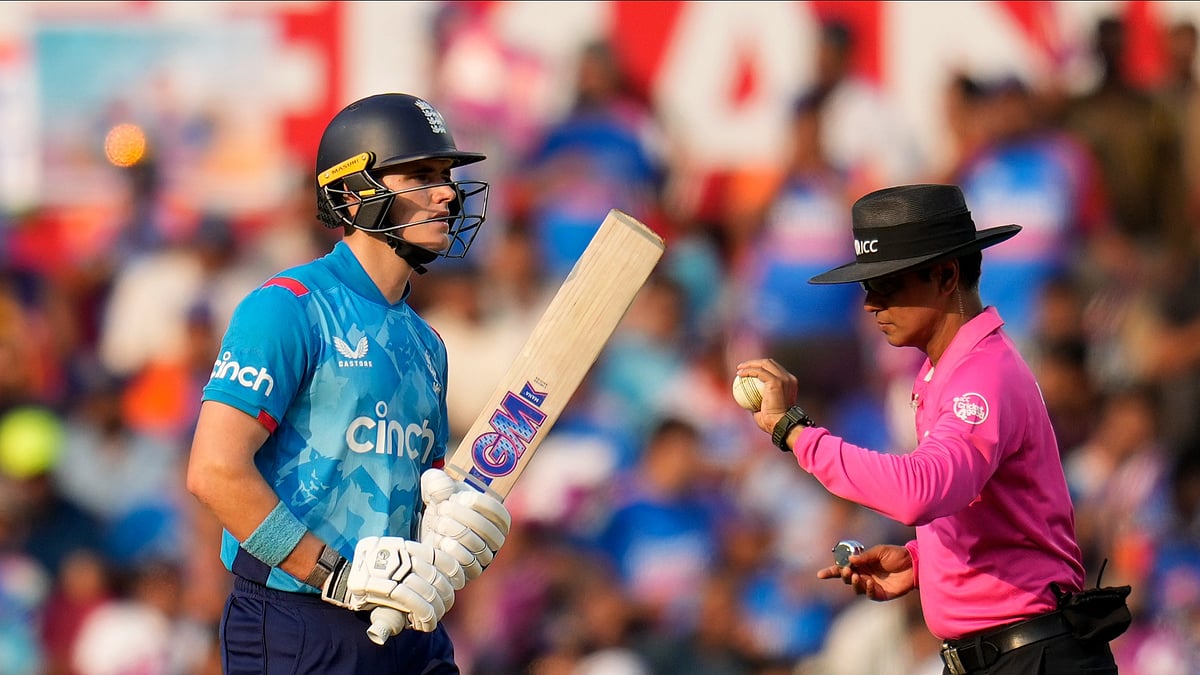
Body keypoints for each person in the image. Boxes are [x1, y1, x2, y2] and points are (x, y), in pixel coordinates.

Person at [735, 184, 1129, 674]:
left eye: (887, 284)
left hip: (1034, 658)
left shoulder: (981, 376)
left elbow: (921, 491)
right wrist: (924, 563)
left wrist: (794, 431)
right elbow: (993, 514)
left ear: (945, 275)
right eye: (867, 286)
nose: (869, 303)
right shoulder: (949, 370)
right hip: (1006, 655)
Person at [186, 93, 512, 673]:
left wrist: (456, 530)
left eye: (446, 177)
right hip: (297, 620)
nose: (447, 193)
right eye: (421, 176)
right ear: (353, 193)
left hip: (406, 625)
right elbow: (214, 471)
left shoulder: (427, 342)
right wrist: (333, 575)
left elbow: (419, 488)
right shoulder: (288, 307)